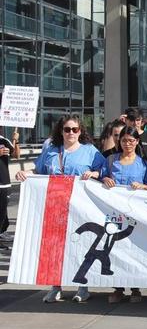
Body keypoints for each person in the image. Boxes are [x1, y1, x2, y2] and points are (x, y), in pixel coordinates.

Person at [16, 115, 104, 303]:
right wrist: (25, 173)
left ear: (80, 131)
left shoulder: (90, 151)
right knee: (54, 247)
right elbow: (39, 170)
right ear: (61, 131)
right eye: (67, 129)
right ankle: (56, 286)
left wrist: (95, 173)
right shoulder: (51, 150)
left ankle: (83, 286)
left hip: (80, 207)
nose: (71, 133)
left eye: (75, 129)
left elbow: (104, 171)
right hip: (54, 206)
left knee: (80, 245)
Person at [101, 126, 147, 304]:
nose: (127, 144)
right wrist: (105, 179)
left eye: (131, 141)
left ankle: (135, 288)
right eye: (124, 140)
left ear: (137, 142)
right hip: (113, 214)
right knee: (114, 249)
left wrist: (143, 187)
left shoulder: (143, 163)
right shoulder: (110, 160)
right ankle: (117, 288)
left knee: (133, 250)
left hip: (135, 214)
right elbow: (99, 178)